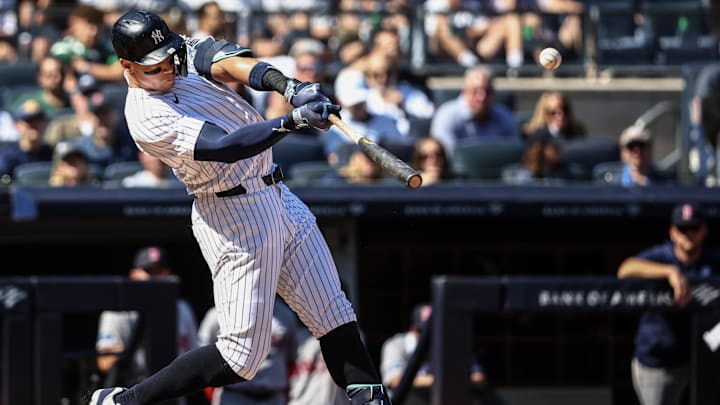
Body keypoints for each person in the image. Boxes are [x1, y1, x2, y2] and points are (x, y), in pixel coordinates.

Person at [89, 10, 391, 405]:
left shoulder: (179, 54)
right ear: (127, 66)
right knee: (240, 357)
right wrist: (291, 121)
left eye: (169, 55)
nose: (167, 67)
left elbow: (231, 63)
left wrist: (290, 86)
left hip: (277, 195)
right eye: (154, 64)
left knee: (333, 313)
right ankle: (122, 402)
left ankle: (372, 399)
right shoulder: (146, 115)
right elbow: (225, 147)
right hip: (232, 216)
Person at [617, 203, 720, 405]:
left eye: (694, 229)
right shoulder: (662, 255)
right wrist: (669, 272)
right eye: (683, 229)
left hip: (701, 358)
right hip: (660, 361)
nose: (688, 235)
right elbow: (625, 269)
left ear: (704, 231)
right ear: (673, 232)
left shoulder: (712, 259)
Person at [96, 246, 199, 403]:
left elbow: (194, 357)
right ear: (134, 275)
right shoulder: (117, 312)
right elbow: (104, 362)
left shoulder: (182, 309)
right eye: (148, 271)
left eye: (160, 271)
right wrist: (126, 352)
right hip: (131, 392)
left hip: (172, 393)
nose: (155, 277)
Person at [197, 296, 297, 405]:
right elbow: (203, 363)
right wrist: (214, 396)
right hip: (234, 395)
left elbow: (290, 362)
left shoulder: (285, 315)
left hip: (272, 396)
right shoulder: (219, 314)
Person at [380, 303, 486, 398]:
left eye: (434, 331)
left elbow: (479, 378)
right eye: (423, 331)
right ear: (413, 329)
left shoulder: (450, 345)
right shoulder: (396, 345)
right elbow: (396, 380)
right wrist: (444, 381)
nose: (428, 337)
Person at [429, 65, 520, 155]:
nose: (482, 97)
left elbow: (513, 154)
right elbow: (446, 157)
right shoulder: (446, 115)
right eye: (475, 91)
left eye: (487, 91)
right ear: (465, 92)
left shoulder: (505, 116)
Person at [0, 99, 53, 179]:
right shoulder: (7, 157)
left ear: (45, 123)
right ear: (17, 126)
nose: (34, 126)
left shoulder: (52, 155)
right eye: (29, 121)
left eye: (38, 120)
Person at [521, 91, 586, 141]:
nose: (561, 116)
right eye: (553, 112)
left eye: (565, 110)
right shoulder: (533, 136)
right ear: (544, 114)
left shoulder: (577, 133)